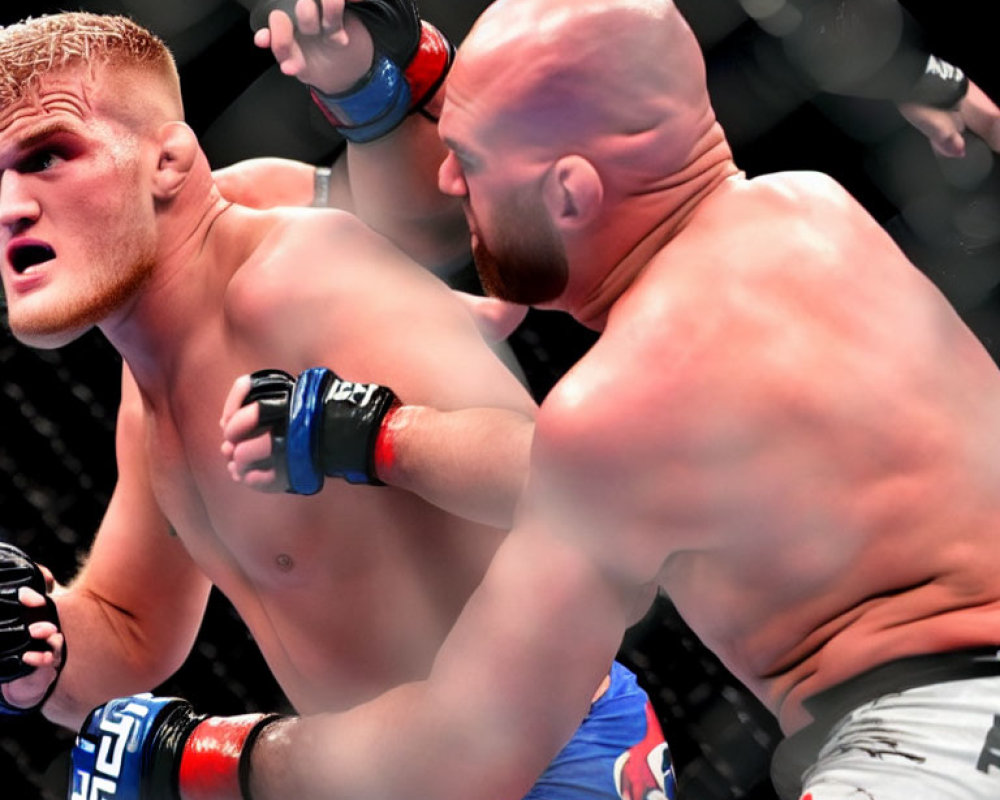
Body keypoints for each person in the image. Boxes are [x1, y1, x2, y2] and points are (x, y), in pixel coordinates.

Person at [219, 0, 1000, 799]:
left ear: (568, 194)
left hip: (936, 750)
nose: (449, 180)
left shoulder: (621, 409)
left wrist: (201, 755)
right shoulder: (816, 210)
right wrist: (385, 433)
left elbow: (464, 750)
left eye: (469, 158)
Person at [0, 8, 673, 800]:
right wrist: (30, 647)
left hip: (547, 757)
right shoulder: (147, 382)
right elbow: (129, 631)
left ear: (169, 160)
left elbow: (580, 494)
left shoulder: (299, 274)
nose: (9, 206)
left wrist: (378, 434)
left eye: (47, 156)